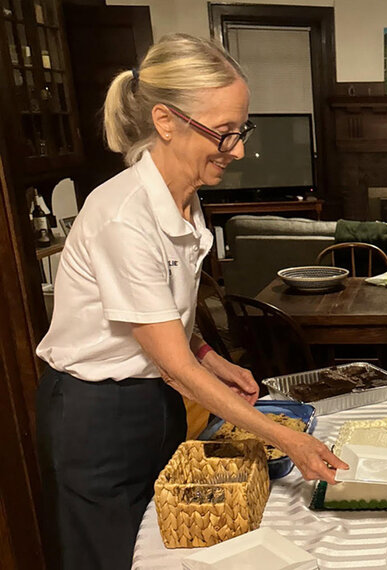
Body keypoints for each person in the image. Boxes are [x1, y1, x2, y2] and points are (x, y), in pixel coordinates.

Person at [35, 34, 346, 570]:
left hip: (153, 402)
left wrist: (215, 360)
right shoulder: (123, 216)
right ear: (165, 121)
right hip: (96, 417)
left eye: (241, 130)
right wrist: (281, 438)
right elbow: (173, 366)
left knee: (163, 544)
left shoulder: (187, 200)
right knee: (111, 556)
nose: (240, 150)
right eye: (224, 133)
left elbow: (169, 321)